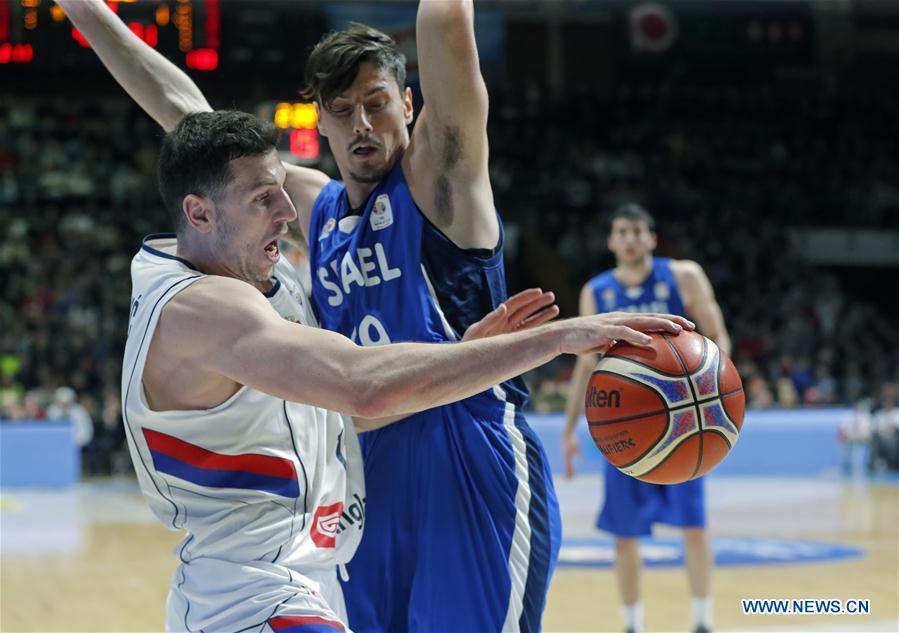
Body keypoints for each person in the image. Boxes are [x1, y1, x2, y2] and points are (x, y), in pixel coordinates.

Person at [57, 1, 569, 629]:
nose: (362, 123)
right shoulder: (311, 207)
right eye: (343, 109)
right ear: (320, 121)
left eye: (377, 103)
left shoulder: (442, 181)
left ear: (408, 104)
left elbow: (445, 25)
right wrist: (82, 8)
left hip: (464, 455)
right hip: (365, 476)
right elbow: (176, 105)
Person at [124, 109, 689, 631]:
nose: (287, 213)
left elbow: (343, 416)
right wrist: (557, 338)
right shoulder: (204, 308)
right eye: (262, 199)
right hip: (253, 600)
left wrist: (461, 356)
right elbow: (363, 388)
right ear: (198, 212)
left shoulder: (220, 279)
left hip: (268, 586)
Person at [562, 203, 731, 633]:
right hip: (627, 425)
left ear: (652, 239)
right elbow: (585, 366)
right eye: (623, 231)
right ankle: (632, 624)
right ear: (611, 241)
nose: (631, 238)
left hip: (683, 422)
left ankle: (702, 621)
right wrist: (569, 430)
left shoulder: (682, 275)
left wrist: (720, 403)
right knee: (625, 534)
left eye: (639, 230)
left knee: (693, 526)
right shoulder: (596, 292)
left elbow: (717, 335)